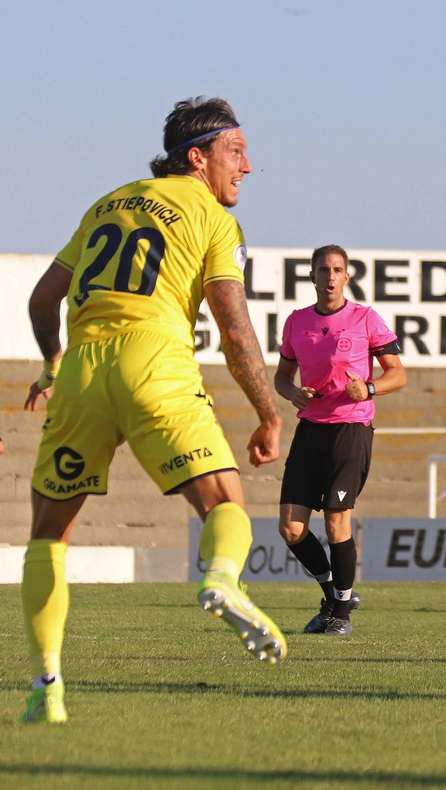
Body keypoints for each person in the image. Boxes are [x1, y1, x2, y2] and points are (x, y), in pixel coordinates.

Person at [19, 98, 286, 724]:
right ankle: (221, 578)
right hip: (153, 362)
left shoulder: (106, 204)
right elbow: (235, 327)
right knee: (224, 504)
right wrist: (268, 413)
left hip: (84, 368)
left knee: (48, 536)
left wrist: (54, 363)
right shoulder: (215, 220)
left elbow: (41, 301)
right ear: (198, 157)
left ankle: (45, 688)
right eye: (236, 151)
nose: (247, 165)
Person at [274, 244, 405, 635]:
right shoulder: (297, 322)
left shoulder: (365, 318)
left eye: (337, 270)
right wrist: (291, 392)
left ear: (347, 277)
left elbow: (398, 374)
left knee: (336, 521)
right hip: (309, 430)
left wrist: (368, 388)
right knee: (290, 528)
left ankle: (341, 618)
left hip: (350, 429)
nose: (329, 276)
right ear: (312, 276)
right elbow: (282, 376)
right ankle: (336, 595)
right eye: (322, 269)